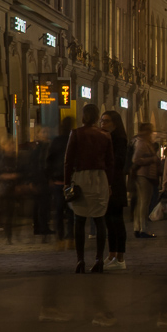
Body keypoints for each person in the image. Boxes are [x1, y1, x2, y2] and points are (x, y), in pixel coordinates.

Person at [64, 103, 114, 273]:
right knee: (99, 219)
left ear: (84, 116)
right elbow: (110, 162)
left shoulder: (76, 134)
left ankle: (80, 260)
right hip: (100, 178)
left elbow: (68, 161)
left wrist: (66, 183)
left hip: (81, 178)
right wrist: (110, 183)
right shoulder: (105, 135)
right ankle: (99, 258)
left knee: (79, 219)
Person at [100, 111, 129, 270]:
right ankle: (111, 254)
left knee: (117, 220)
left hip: (115, 184)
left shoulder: (119, 139)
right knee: (109, 221)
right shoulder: (106, 138)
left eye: (106, 121)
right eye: (101, 121)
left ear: (115, 123)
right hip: (107, 182)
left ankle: (120, 258)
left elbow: (118, 162)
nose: (103, 124)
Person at [47, 117, 75, 244]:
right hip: (70, 180)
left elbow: (49, 159)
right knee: (71, 209)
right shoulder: (73, 140)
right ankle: (70, 235)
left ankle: (60, 235)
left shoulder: (56, 141)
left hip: (58, 180)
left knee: (58, 209)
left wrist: (50, 177)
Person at [131, 123, 159, 239]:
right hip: (144, 175)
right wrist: (152, 159)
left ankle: (138, 227)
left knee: (140, 203)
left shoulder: (143, 142)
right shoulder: (142, 143)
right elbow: (136, 159)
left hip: (143, 175)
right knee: (144, 203)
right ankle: (143, 228)